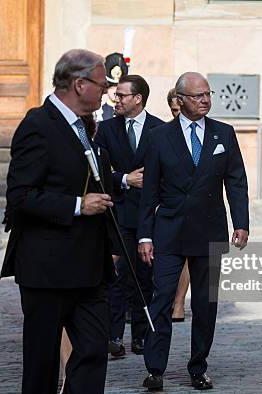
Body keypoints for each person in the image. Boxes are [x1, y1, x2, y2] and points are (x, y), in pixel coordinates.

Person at [0, 49, 119, 394]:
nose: (107, 92)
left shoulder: (85, 126)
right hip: (47, 268)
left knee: (94, 350)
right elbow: (20, 195)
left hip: (88, 268)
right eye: (102, 84)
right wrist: (77, 206)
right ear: (79, 84)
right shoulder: (38, 124)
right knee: (42, 363)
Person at [138, 72, 249, 391]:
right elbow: (149, 193)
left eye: (207, 94)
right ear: (180, 100)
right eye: (198, 96)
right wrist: (145, 235)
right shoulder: (160, 137)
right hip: (169, 231)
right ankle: (155, 369)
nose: (205, 100)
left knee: (205, 303)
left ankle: (198, 367)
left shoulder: (224, 134)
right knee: (162, 301)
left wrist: (240, 222)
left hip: (210, 230)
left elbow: (236, 180)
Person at [94, 74, 164, 356]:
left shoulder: (160, 129)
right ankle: (114, 337)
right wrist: (124, 179)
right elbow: (98, 171)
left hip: (150, 215)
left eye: (122, 95)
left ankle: (141, 336)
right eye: (116, 94)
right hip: (120, 213)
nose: (116, 99)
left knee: (145, 277)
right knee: (119, 276)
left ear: (138, 99)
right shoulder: (107, 129)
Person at [166, 87, 190, 322]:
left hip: (192, 206)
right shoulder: (163, 133)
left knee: (186, 255)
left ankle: (179, 301)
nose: (178, 114)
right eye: (174, 110)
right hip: (168, 204)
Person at [95, 52, 128, 122]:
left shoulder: (128, 113)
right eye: (112, 86)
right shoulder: (98, 113)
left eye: (119, 87)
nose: (115, 91)